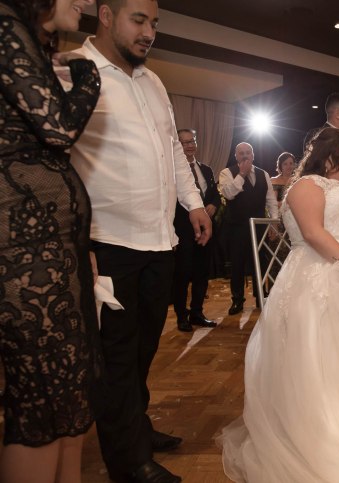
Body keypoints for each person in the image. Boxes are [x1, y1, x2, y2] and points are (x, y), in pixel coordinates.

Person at [67, 1, 213, 481]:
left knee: (145, 347)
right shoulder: (74, 70)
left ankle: (135, 427)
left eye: (155, 23)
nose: (149, 32)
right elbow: (58, 160)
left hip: (159, 240)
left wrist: (194, 203)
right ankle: (128, 462)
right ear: (106, 15)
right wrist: (75, 240)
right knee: (116, 356)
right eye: (139, 20)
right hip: (107, 241)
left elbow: (172, 149)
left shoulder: (153, 81)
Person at [217, 127, 339, 482]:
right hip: (319, 274)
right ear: (326, 155)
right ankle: (323, 435)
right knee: (322, 357)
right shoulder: (307, 185)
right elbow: (313, 233)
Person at [0, 0, 101, 481]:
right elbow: (58, 129)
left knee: (69, 390)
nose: (87, 2)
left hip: (52, 244)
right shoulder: (3, 22)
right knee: (41, 399)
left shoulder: (25, 36)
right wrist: (88, 76)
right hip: (21, 244)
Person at [219, 142, 279, 314]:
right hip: (236, 227)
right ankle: (237, 300)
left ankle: (261, 295)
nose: (245, 155)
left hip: (259, 227)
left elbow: (271, 201)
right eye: (241, 153)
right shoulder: (226, 173)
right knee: (237, 264)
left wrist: (273, 222)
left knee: (260, 262)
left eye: (248, 152)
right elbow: (229, 194)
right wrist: (242, 174)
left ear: (253, 155)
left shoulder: (263, 174)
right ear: (236, 156)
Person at [173, 129, 221, 332]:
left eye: (191, 141)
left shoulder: (206, 170)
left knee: (202, 273)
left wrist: (213, 205)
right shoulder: (172, 171)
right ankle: (181, 316)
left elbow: (215, 195)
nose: (189, 145)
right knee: (182, 274)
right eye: (184, 143)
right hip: (183, 230)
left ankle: (197, 313)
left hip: (205, 229)